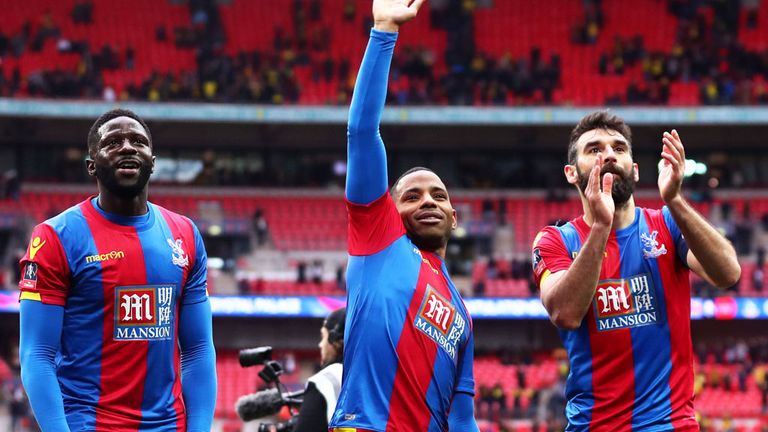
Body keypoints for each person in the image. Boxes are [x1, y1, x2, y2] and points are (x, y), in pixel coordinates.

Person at [532, 111, 741, 431]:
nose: (609, 155)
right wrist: (602, 226)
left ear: (636, 170)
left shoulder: (667, 224)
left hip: (670, 424)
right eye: (594, 149)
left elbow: (728, 273)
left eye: (619, 148)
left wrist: (675, 200)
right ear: (572, 173)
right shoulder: (555, 240)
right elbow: (566, 313)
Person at [18, 108, 217, 431]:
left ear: (152, 160)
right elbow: (36, 356)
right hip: (89, 424)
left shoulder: (185, 235)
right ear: (91, 166)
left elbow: (197, 349)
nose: (127, 147)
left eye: (138, 141)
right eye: (113, 142)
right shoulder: (55, 237)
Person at [329, 1, 478, 431]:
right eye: (411, 196)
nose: (428, 201)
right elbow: (361, 133)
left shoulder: (462, 314)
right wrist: (383, 32)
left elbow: (462, 417)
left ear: (455, 216)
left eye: (438, 195)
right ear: (390, 211)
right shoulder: (380, 240)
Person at [293, 307, 346, 432]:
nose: (320, 344)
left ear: (335, 339)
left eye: (324, 336)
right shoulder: (381, 376)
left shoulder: (326, 380)